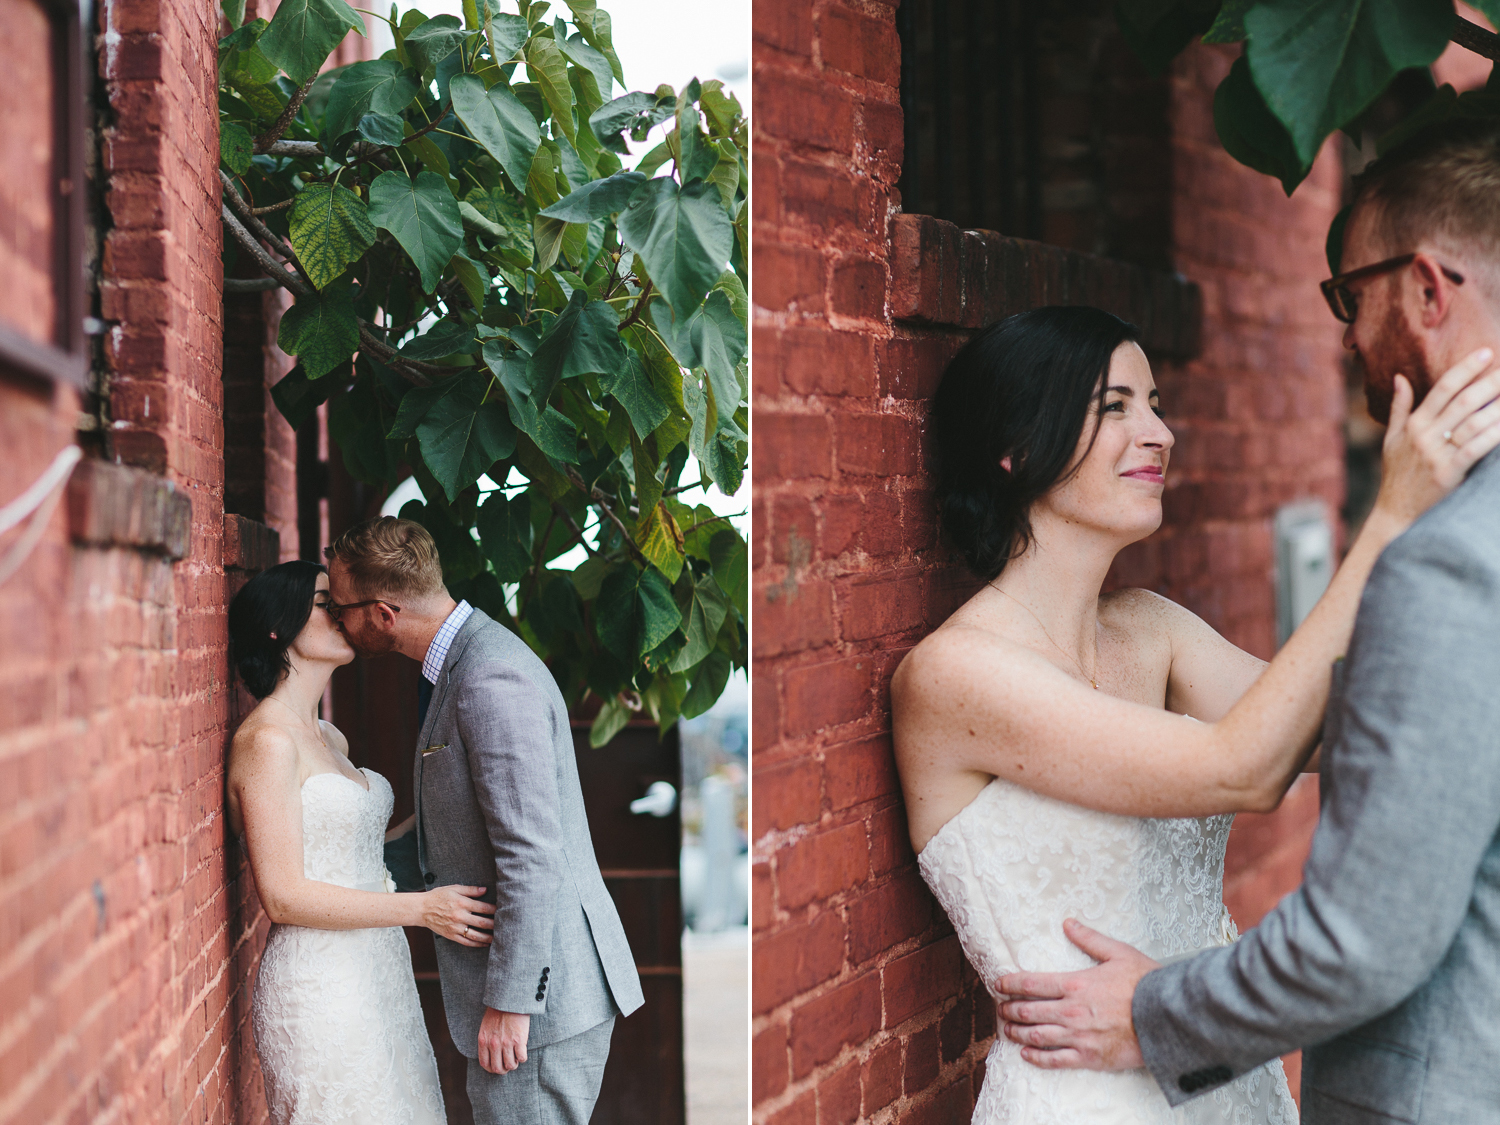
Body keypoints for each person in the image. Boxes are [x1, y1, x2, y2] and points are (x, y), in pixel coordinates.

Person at [995, 123, 1500, 1120]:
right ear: (1020, 447)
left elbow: (1279, 776)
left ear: (1431, 291)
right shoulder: (962, 672)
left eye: (1351, 299)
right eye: (1116, 406)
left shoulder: (1450, 563)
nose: (1162, 432)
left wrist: (1151, 1016)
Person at [324, 516, 644, 1125]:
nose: (336, 619)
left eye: (341, 608)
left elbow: (531, 853)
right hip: (530, 1004)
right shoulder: (463, 663)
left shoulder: (489, 678)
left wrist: (511, 1002)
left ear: (385, 613)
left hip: (536, 1015)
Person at [226, 560, 497, 1124]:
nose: (344, 616)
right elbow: (283, 896)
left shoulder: (328, 735)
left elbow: (353, 848)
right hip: (320, 985)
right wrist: (423, 909)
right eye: (326, 604)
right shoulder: (267, 743)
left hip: (377, 972)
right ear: (279, 629)